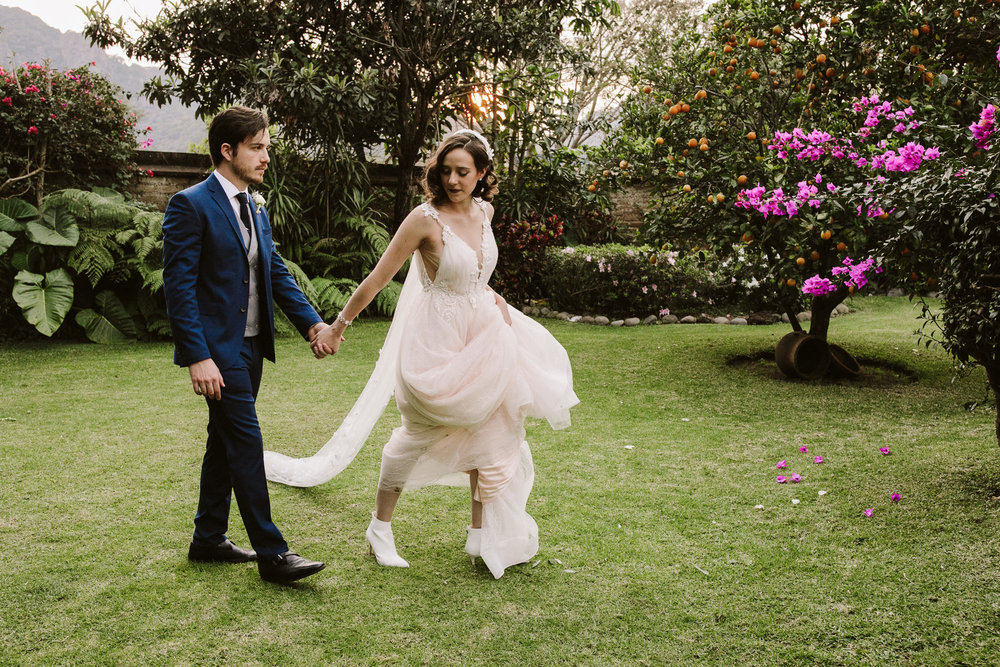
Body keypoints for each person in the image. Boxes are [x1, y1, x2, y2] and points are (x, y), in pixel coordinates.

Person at [267, 129, 578, 578]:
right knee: (417, 435)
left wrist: (498, 306)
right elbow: (377, 279)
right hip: (434, 340)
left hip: (486, 334)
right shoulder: (424, 219)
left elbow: (477, 275)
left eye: (463, 172)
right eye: (446, 171)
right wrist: (337, 326)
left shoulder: (487, 212)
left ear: (483, 174)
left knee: (491, 430)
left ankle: (480, 533)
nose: (453, 180)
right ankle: (380, 527)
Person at [162, 106, 328, 584]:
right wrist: (197, 356)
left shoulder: (256, 205)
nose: (266, 157)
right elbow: (179, 288)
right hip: (217, 351)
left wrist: (312, 324)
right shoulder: (189, 204)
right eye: (257, 147)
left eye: (267, 147)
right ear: (227, 151)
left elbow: (273, 269)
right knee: (246, 440)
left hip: (253, 347)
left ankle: (208, 538)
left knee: (224, 441)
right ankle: (273, 554)